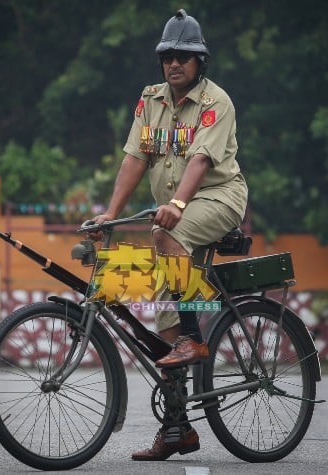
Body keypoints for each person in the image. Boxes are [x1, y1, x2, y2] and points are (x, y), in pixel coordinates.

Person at [91, 9, 248, 461]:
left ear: (201, 62)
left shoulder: (216, 101)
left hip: (217, 199)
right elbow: (135, 158)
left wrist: (177, 205)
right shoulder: (150, 100)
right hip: (173, 212)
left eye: (184, 56)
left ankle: (195, 337)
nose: (174, 63)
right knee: (164, 324)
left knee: (162, 240)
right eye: (167, 56)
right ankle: (177, 430)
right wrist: (111, 213)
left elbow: (200, 161)